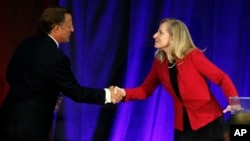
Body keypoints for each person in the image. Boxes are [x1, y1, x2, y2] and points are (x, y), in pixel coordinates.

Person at [0, 7, 122, 141]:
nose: (73, 30)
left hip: (7, 120)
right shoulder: (57, 58)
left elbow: (10, 75)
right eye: (69, 26)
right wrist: (108, 94)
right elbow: (76, 92)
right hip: (31, 129)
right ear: (56, 28)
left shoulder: (26, 43)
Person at [115, 18, 239, 141]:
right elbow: (145, 90)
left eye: (160, 32)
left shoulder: (193, 56)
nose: (154, 35)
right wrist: (124, 93)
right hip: (183, 126)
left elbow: (222, 78)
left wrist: (236, 105)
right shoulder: (159, 62)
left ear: (172, 38)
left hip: (209, 123)